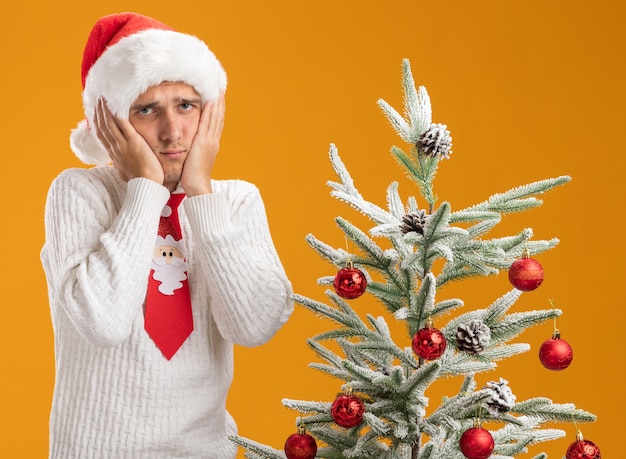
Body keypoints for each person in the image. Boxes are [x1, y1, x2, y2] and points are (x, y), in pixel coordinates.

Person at [40, 12, 294, 458]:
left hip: (205, 450)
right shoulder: (79, 192)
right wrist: (145, 191)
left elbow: (254, 326)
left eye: (185, 105)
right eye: (146, 110)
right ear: (111, 122)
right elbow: (102, 322)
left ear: (208, 111)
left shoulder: (235, 200)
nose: (172, 132)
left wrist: (200, 194)